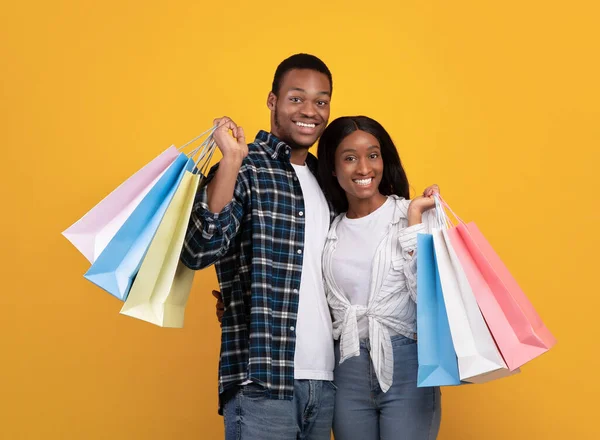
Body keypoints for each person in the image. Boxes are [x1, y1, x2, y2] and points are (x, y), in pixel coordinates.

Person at [181, 53, 336, 440]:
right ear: (272, 101)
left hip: (328, 381)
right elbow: (200, 248)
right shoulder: (246, 168)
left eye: (321, 101)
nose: (310, 111)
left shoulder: (328, 179)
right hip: (263, 381)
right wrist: (231, 159)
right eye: (297, 98)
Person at [317, 115, 442, 440]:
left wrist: (415, 222)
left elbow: (430, 299)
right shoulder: (328, 231)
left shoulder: (413, 214)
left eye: (373, 155)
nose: (363, 168)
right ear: (332, 167)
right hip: (347, 367)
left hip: (406, 363)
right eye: (349, 158)